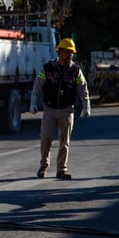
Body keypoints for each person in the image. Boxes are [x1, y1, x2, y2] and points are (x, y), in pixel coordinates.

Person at [30, 38, 90, 180]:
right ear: (60, 52)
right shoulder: (47, 68)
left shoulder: (75, 70)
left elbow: (83, 88)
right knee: (46, 138)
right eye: (68, 52)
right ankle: (44, 166)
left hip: (67, 110)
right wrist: (33, 102)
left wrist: (86, 105)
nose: (70, 55)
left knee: (65, 141)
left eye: (72, 53)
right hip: (49, 109)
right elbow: (37, 86)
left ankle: (61, 170)